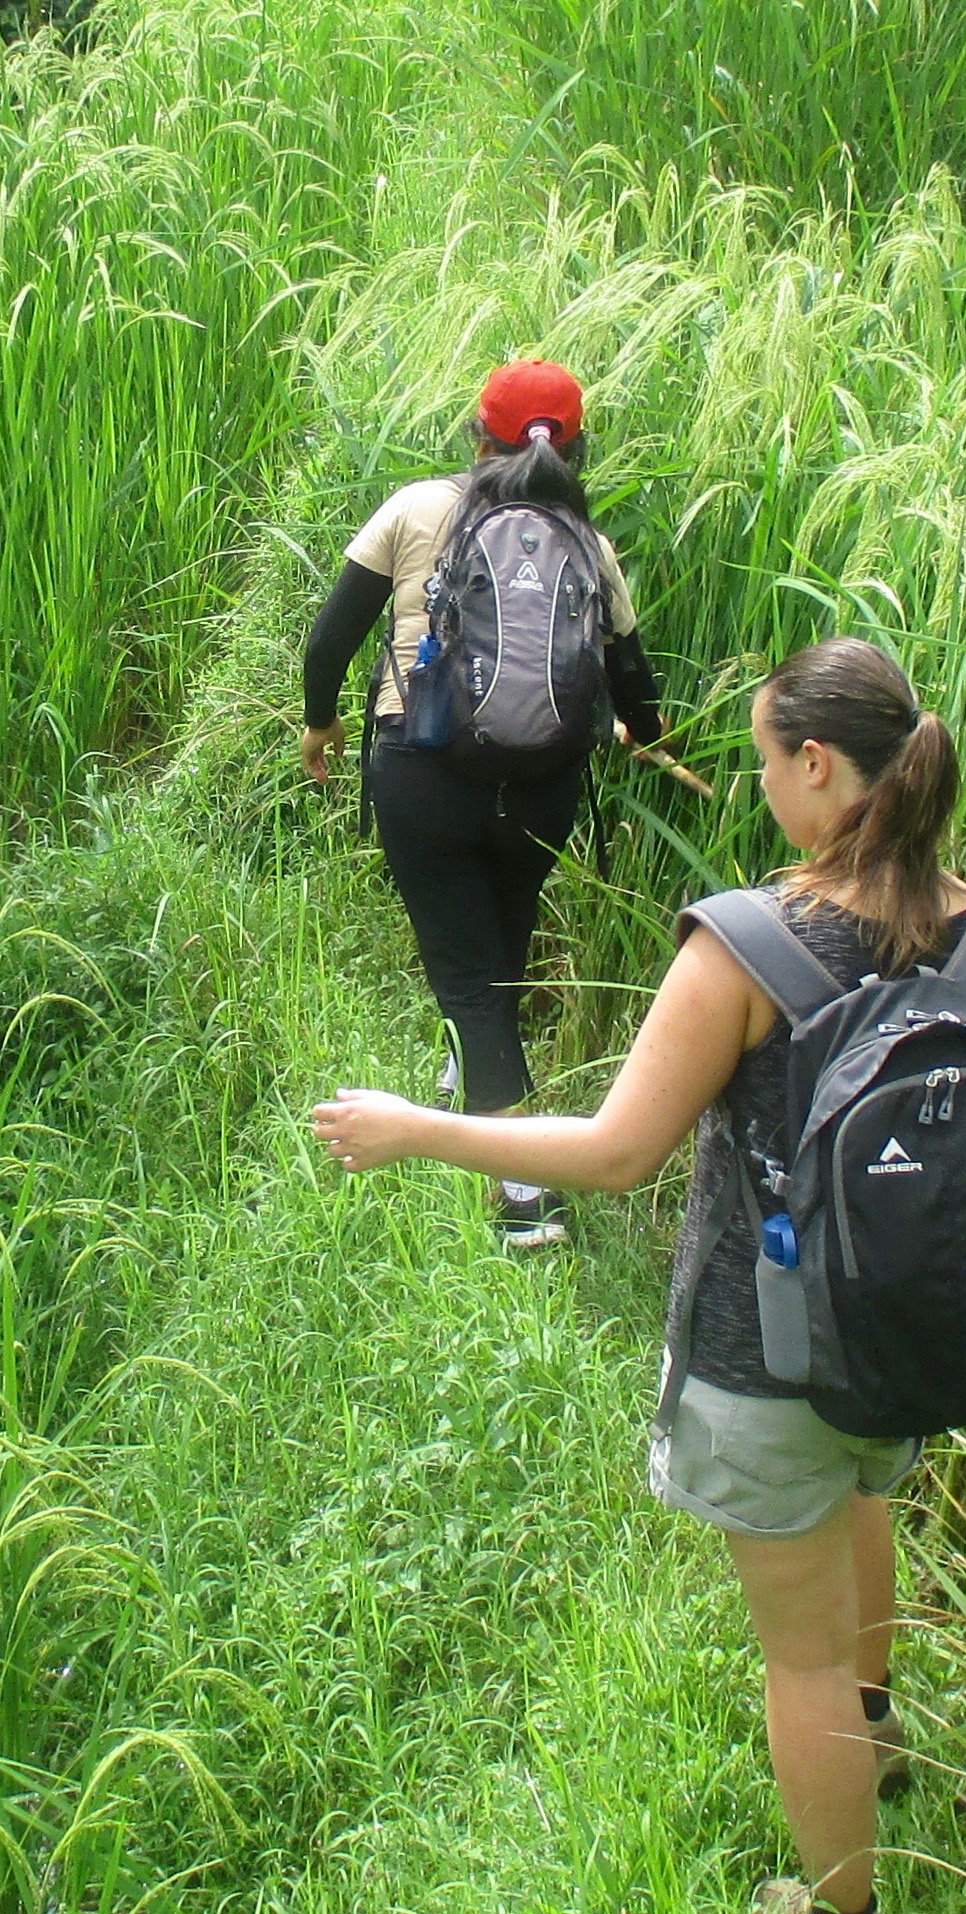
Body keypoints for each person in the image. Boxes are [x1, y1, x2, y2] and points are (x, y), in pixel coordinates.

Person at [308, 637, 966, 1914]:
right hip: (925, 1336)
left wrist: (416, 1126)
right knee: (865, 1507)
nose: (764, 782)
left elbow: (613, 1154)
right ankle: (882, 1733)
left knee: (802, 1656)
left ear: (821, 767)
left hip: (765, 1352)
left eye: (773, 758)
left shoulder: (749, 946)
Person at [299, 358, 671, 1250]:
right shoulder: (589, 543)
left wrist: (321, 727)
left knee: (470, 984)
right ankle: (477, 1078)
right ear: (577, 448)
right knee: (497, 960)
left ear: (478, 434)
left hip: (423, 777)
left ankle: (523, 1197)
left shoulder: (417, 508)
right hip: (541, 788)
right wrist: (641, 735)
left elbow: (328, 643)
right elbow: (635, 687)